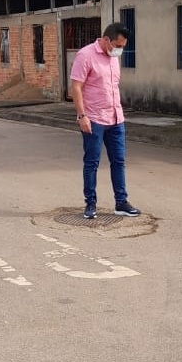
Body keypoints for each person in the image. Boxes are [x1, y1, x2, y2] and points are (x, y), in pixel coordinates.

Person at [70, 22, 141, 220]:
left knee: (118, 161)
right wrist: (81, 115)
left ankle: (121, 202)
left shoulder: (113, 58)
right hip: (93, 119)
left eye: (122, 47)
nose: (119, 50)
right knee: (92, 162)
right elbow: (76, 87)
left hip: (116, 119)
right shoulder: (85, 55)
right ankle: (90, 203)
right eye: (118, 46)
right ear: (107, 40)